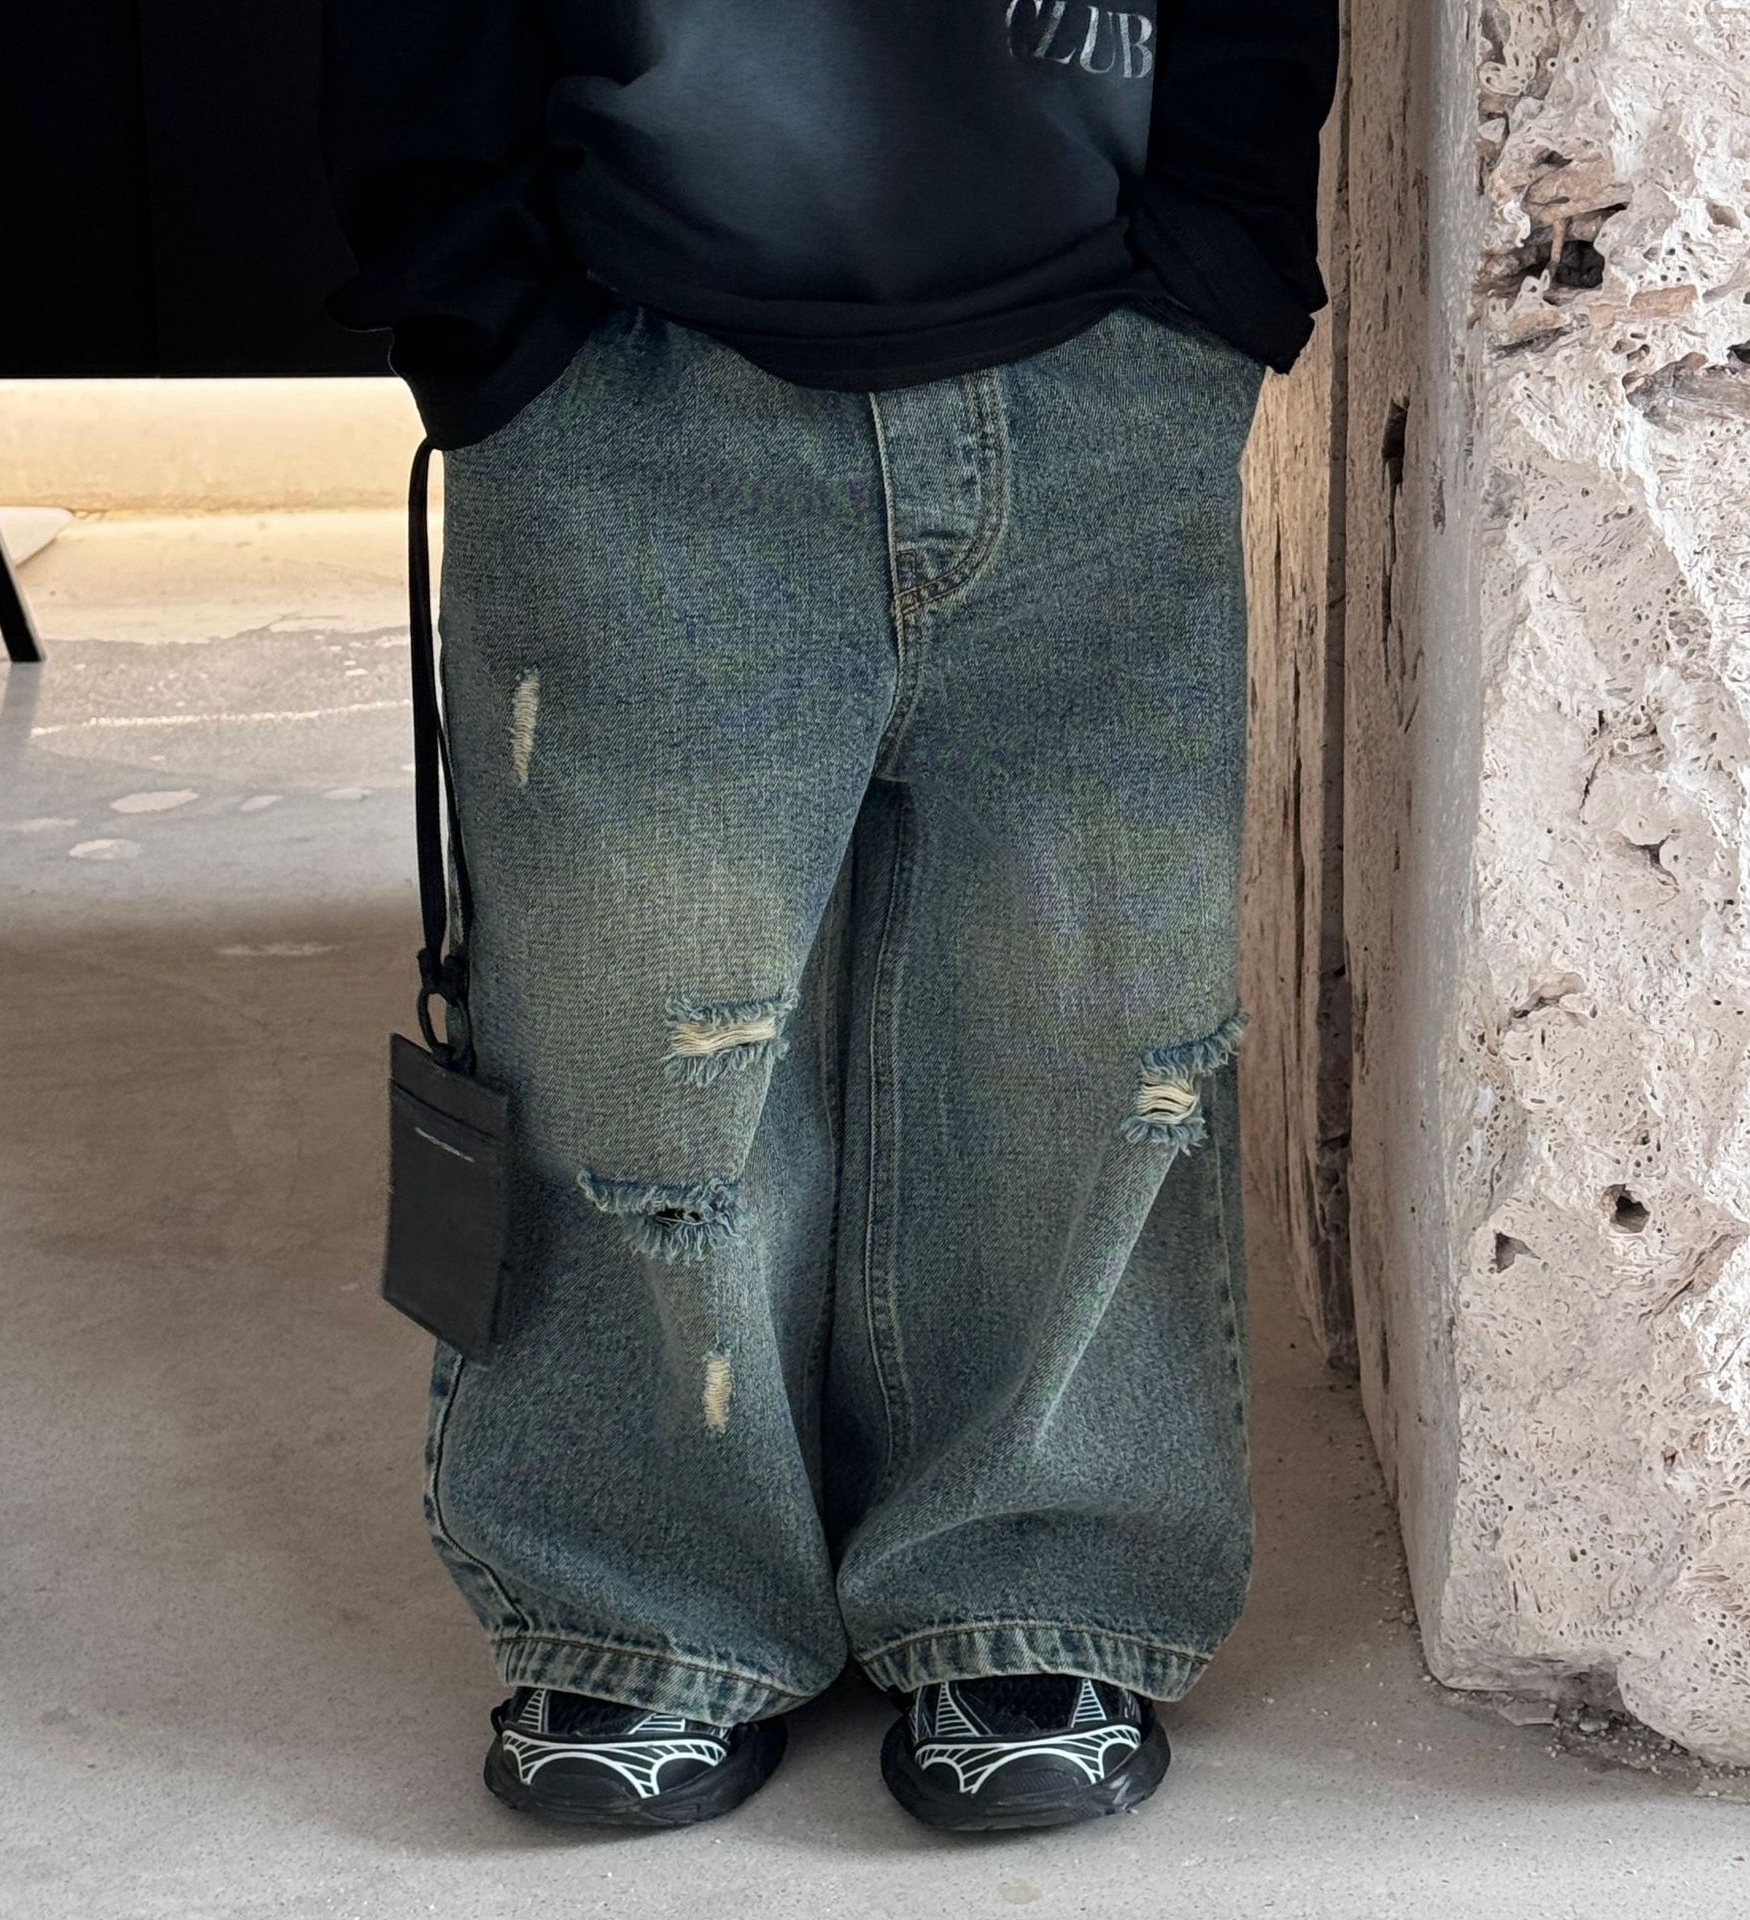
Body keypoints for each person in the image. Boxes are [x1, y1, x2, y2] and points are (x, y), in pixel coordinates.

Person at [319, 0, 1339, 1834]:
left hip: (1107, 360)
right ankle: (643, 1602)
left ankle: (1029, 1576)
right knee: (633, 1031)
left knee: (1083, 1040)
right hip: (633, 366)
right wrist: (481, 309)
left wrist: (1225, 257)